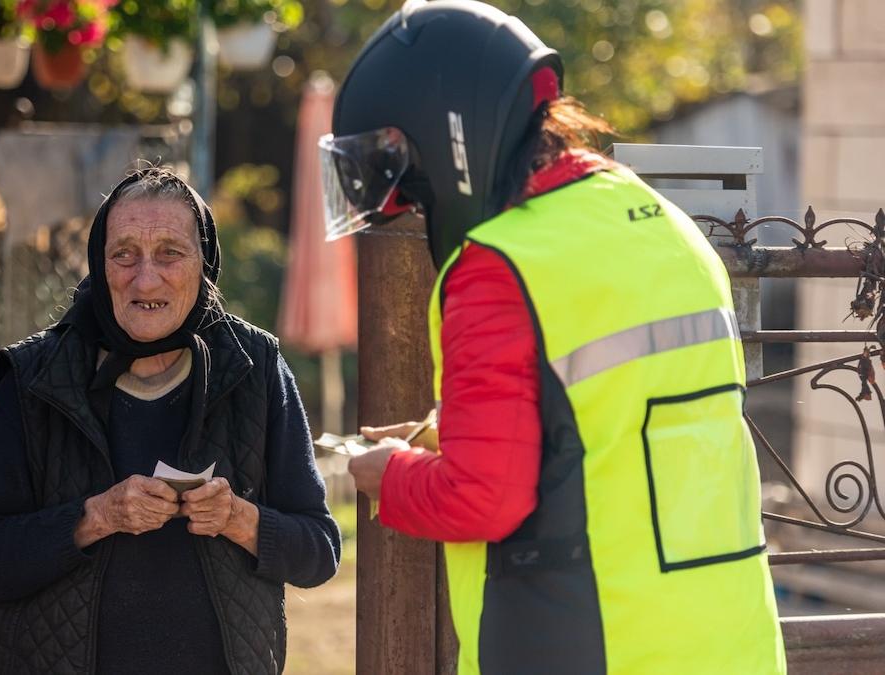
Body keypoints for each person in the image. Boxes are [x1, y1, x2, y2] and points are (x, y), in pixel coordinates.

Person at [323, 2, 786, 673]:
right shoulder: (663, 223)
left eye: (417, 189)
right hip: (729, 640)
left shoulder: (498, 265)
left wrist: (386, 474)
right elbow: (613, 419)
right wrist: (451, 427)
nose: (423, 211)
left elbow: (484, 496)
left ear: (445, 136)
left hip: (596, 643)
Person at [0, 166, 340, 674]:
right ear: (99, 263)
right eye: (124, 255)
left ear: (203, 264)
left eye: (170, 253)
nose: (145, 277)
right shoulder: (35, 379)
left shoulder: (255, 368)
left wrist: (238, 519)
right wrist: (97, 517)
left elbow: (318, 551)